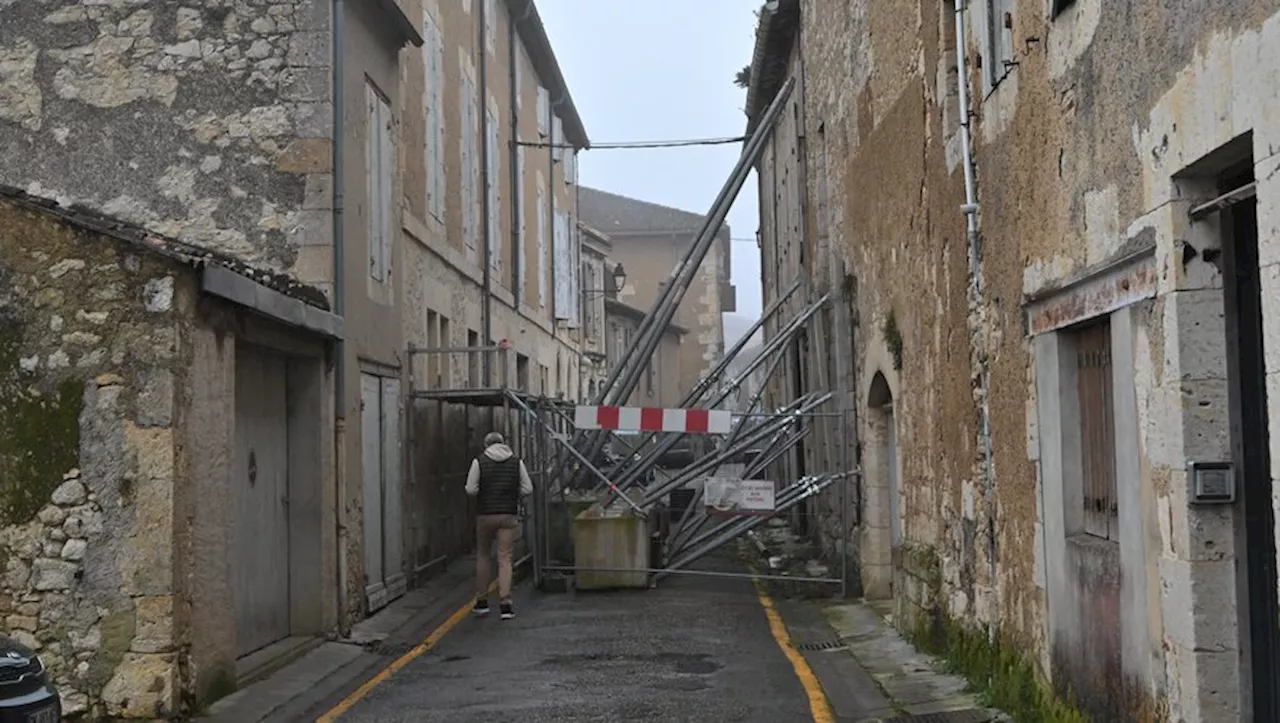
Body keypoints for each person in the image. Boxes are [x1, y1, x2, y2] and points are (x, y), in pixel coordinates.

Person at [465, 431, 533, 620]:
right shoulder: (516, 461)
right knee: (505, 558)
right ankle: (505, 603)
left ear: (486, 445)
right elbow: (528, 488)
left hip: (485, 515)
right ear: (503, 443)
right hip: (508, 515)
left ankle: (482, 601)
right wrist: (512, 493)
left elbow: (471, 489)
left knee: (484, 556)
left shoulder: (479, 461)